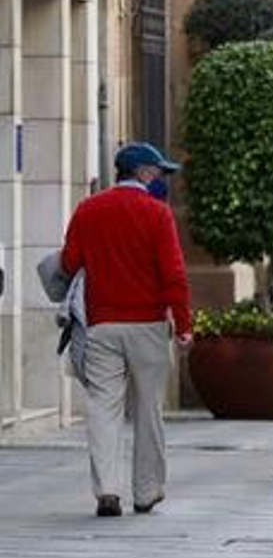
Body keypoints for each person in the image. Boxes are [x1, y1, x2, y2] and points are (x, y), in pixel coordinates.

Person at [60, 142, 192, 518]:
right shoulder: (157, 214)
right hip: (148, 326)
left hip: (101, 325)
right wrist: (183, 326)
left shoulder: (88, 210)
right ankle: (146, 491)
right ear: (143, 173)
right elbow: (174, 275)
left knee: (103, 407)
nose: (161, 179)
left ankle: (107, 490)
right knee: (148, 409)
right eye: (159, 172)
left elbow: (69, 262)